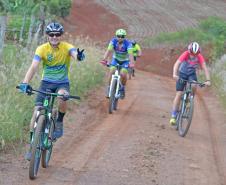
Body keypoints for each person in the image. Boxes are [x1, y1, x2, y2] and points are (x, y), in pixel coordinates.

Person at [18, 22, 85, 160]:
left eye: (57, 34)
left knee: (62, 96)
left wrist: (78, 56)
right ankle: (32, 145)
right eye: (51, 34)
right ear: (47, 36)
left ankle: (59, 121)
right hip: (46, 83)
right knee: (36, 112)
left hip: (62, 83)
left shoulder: (67, 47)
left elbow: (74, 54)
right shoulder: (41, 49)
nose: (54, 37)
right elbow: (34, 67)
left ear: (61, 35)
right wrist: (25, 83)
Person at [169, 42, 211, 125]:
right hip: (182, 73)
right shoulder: (185, 54)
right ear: (189, 51)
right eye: (192, 53)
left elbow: (205, 68)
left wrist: (208, 80)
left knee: (194, 85)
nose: (194, 55)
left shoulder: (199, 56)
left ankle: (190, 99)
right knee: (179, 94)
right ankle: (173, 116)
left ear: (198, 52)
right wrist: (174, 74)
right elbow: (177, 64)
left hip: (191, 74)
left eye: (196, 54)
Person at [101, 28, 135, 98]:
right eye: (118, 36)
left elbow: (131, 54)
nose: (120, 38)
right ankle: (109, 88)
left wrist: (131, 63)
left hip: (125, 61)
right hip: (115, 60)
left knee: (123, 74)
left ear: (124, 37)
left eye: (122, 36)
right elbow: (109, 50)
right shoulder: (113, 41)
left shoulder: (128, 44)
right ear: (116, 36)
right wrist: (104, 59)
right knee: (112, 71)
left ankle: (122, 88)